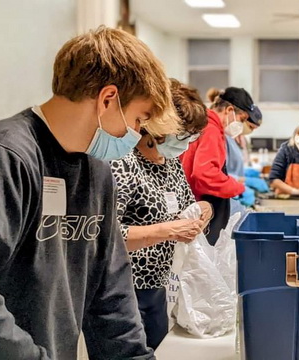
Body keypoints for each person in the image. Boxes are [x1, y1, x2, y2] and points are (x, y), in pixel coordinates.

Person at [0, 26, 180, 359]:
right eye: (138, 119)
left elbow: (112, 293)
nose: (136, 135)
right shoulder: (6, 156)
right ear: (108, 99)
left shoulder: (97, 172)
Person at [110, 79, 213, 350]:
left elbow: (186, 208)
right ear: (158, 127)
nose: (187, 144)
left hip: (164, 284)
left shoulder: (171, 164)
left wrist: (203, 211)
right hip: (127, 288)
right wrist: (167, 231)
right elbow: (105, 236)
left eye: (193, 137)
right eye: (183, 136)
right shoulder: (124, 163)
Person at [181, 87, 261, 245]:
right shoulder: (211, 129)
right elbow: (204, 174)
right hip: (199, 208)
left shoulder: (205, 125)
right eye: (243, 119)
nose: (242, 125)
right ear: (229, 110)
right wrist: (238, 188)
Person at [225, 106, 267, 211]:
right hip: (228, 195)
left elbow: (235, 167)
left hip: (234, 194)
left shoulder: (236, 138)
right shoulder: (224, 138)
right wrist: (243, 181)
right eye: (250, 127)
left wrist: (253, 174)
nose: (251, 131)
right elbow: (220, 172)